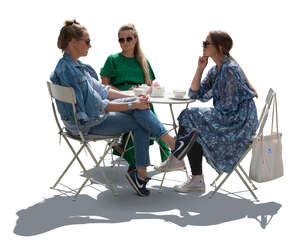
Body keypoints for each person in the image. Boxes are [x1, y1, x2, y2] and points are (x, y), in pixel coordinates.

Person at [50, 20, 199, 197]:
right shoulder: (72, 72)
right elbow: (98, 106)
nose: (91, 45)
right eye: (87, 41)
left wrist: (132, 97)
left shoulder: (74, 67)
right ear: (73, 42)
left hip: (88, 119)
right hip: (87, 124)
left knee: (140, 110)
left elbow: (103, 91)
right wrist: (133, 104)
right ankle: (171, 147)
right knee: (139, 118)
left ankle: (148, 169)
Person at [155, 31, 259, 193]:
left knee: (191, 117)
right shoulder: (216, 69)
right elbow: (195, 94)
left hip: (239, 123)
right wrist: (200, 68)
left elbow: (229, 108)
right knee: (193, 125)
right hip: (230, 117)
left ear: (219, 47)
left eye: (206, 44)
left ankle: (178, 159)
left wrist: (204, 117)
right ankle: (191, 174)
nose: (203, 46)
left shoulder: (229, 70)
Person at [100, 24, 170, 172]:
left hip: (140, 98)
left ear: (135, 39)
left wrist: (146, 91)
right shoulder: (112, 59)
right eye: (121, 40)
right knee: (145, 114)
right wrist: (126, 93)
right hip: (120, 99)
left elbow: (151, 85)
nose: (125, 42)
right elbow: (104, 87)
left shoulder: (143, 61)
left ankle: (164, 158)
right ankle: (170, 152)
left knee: (146, 108)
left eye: (128, 39)